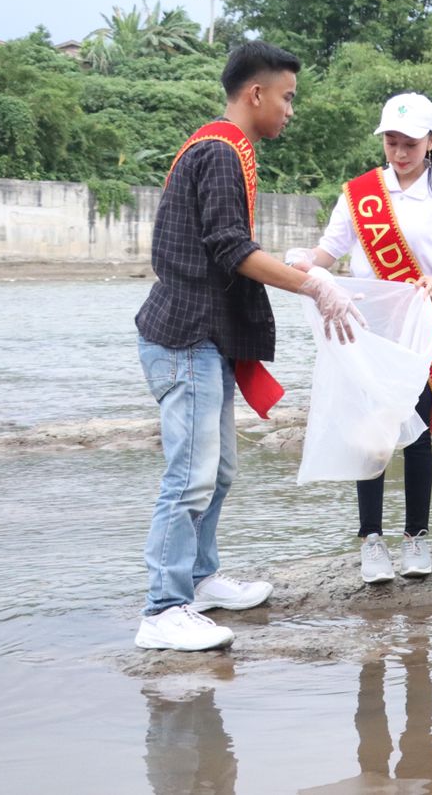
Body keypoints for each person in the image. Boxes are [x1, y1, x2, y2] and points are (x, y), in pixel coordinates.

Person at [134, 41, 364, 652]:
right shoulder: (218, 151)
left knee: (220, 471)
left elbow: (230, 248)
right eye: (287, 97)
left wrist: (302, 276)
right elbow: (231, 249)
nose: (291, 109)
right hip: (184, 337)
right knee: (188, 477)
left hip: (204, 340)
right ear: (255, 94)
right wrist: (314, 285)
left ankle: (201, 578)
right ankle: (162, 609)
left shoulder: (222, 148)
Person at [286, 93, 432, 584]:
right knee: (370, 433)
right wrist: (303, 263)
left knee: (416, 433)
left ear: (431, 141)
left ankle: (415, 538)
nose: (399, 151)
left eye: (410, 142)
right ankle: (371, 540)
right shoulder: (362, 194)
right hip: (369, 329)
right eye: (391, 141)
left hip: (423, 325)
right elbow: (330, 250)